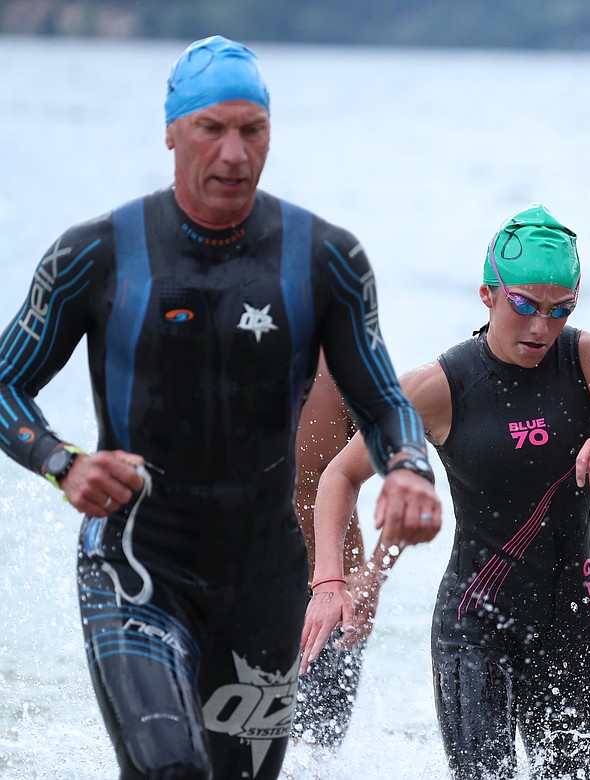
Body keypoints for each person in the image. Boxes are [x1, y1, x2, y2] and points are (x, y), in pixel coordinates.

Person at [0, 36, 441, 780]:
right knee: (173, 769)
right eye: (212, 129)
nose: (235, 154)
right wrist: (62, 463)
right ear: (172, 131)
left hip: (265, 580)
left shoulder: (324, 258)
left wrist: (409, 469)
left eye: (253, 130)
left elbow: (384, 401)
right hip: (138, 563)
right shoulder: (96, 254)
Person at [301, 204, 590, 780]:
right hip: (472, 627)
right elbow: (339, 475)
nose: (541, 328)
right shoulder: (440, 385)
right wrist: (330, 582)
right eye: (525, 306)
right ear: (489, 294)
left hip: (570, 621)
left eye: (561, 310)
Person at [291, 353, 397, 750]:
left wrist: (375, 575)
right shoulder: (200, 360)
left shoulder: (342, 365)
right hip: (231, 589)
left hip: (332, 596)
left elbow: (407, 475)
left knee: (314, 759)